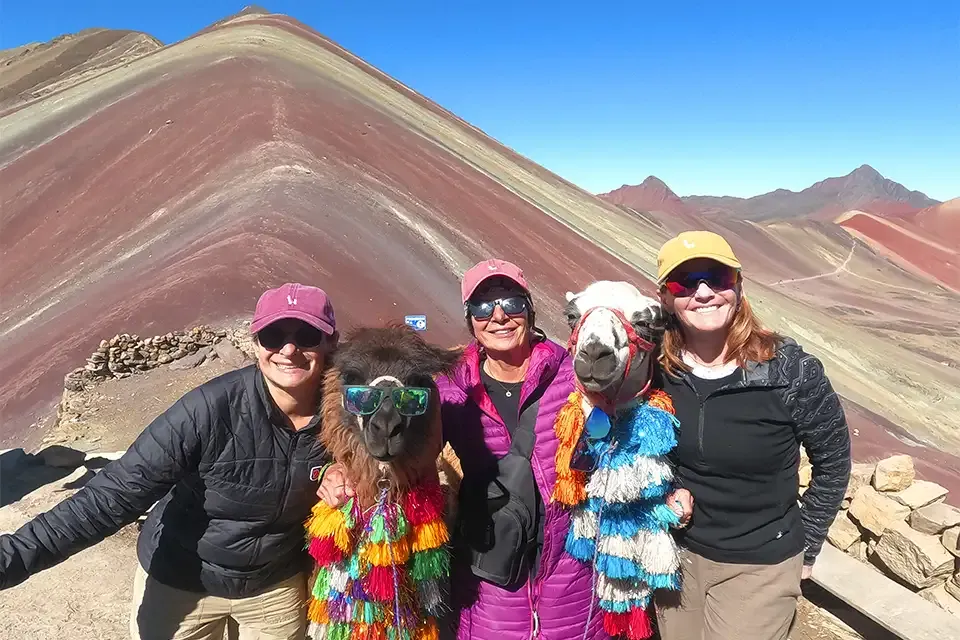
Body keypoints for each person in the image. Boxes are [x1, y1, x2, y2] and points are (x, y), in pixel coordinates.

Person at [0, 283, 339, 640]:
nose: (288, 349)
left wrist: (347, 468)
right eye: (272, 335)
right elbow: (110, 496)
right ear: (256, 343)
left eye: (307, 334)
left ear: (331, 341)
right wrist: (10, 559)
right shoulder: (207, 411)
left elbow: (394, 462)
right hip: (182, 581)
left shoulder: (353, 415)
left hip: (273, 587)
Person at [318, 259, 608, 640]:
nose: (499, 316)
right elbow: (408, 456)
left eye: (512, 303)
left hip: (571, 579)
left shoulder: (575, 376)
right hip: (491, 583)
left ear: (530, 310)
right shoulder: (453, 390)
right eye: (484, 307)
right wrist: (339, 470)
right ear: (470, 320)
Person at [651, 231, 852, 640]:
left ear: (738, 287)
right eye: (683, 283)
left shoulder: (789, 372)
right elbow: (641, 444)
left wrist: (808, 545)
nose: (703, 292)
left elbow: (833, 462)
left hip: (761, 561)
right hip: (676, 555)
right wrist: (666, 489)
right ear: (665, 299)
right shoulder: (656, 369)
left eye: (717, 277)